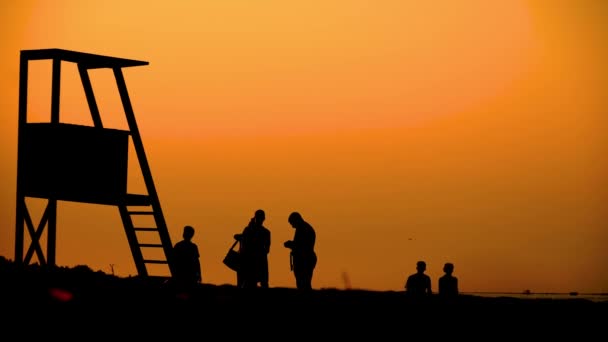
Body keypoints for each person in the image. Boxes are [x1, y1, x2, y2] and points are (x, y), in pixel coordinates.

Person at [234, 209, 271, 288]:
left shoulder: (248, 230)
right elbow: (267, 250)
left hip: (248, 262)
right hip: (259, 262)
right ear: (264, 218)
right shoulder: (266, 232)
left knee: (247, 284)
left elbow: (244, 240)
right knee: (263, 283)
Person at [284, 211, 317, 291]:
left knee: (303, 283)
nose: (292, 226)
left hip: (305, 260)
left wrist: (290, 244)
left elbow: (302, 245)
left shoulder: (303, 229)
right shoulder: (305, 228)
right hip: (306, 258)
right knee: (303, 283)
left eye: (292, 223)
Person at [171, 225, 202, 291]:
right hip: (187, 275)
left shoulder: (179, 245)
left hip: (184, 274)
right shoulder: (193, 247)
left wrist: (199, 274)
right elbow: (197, 262)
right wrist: (199, 274)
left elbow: (196, 262)